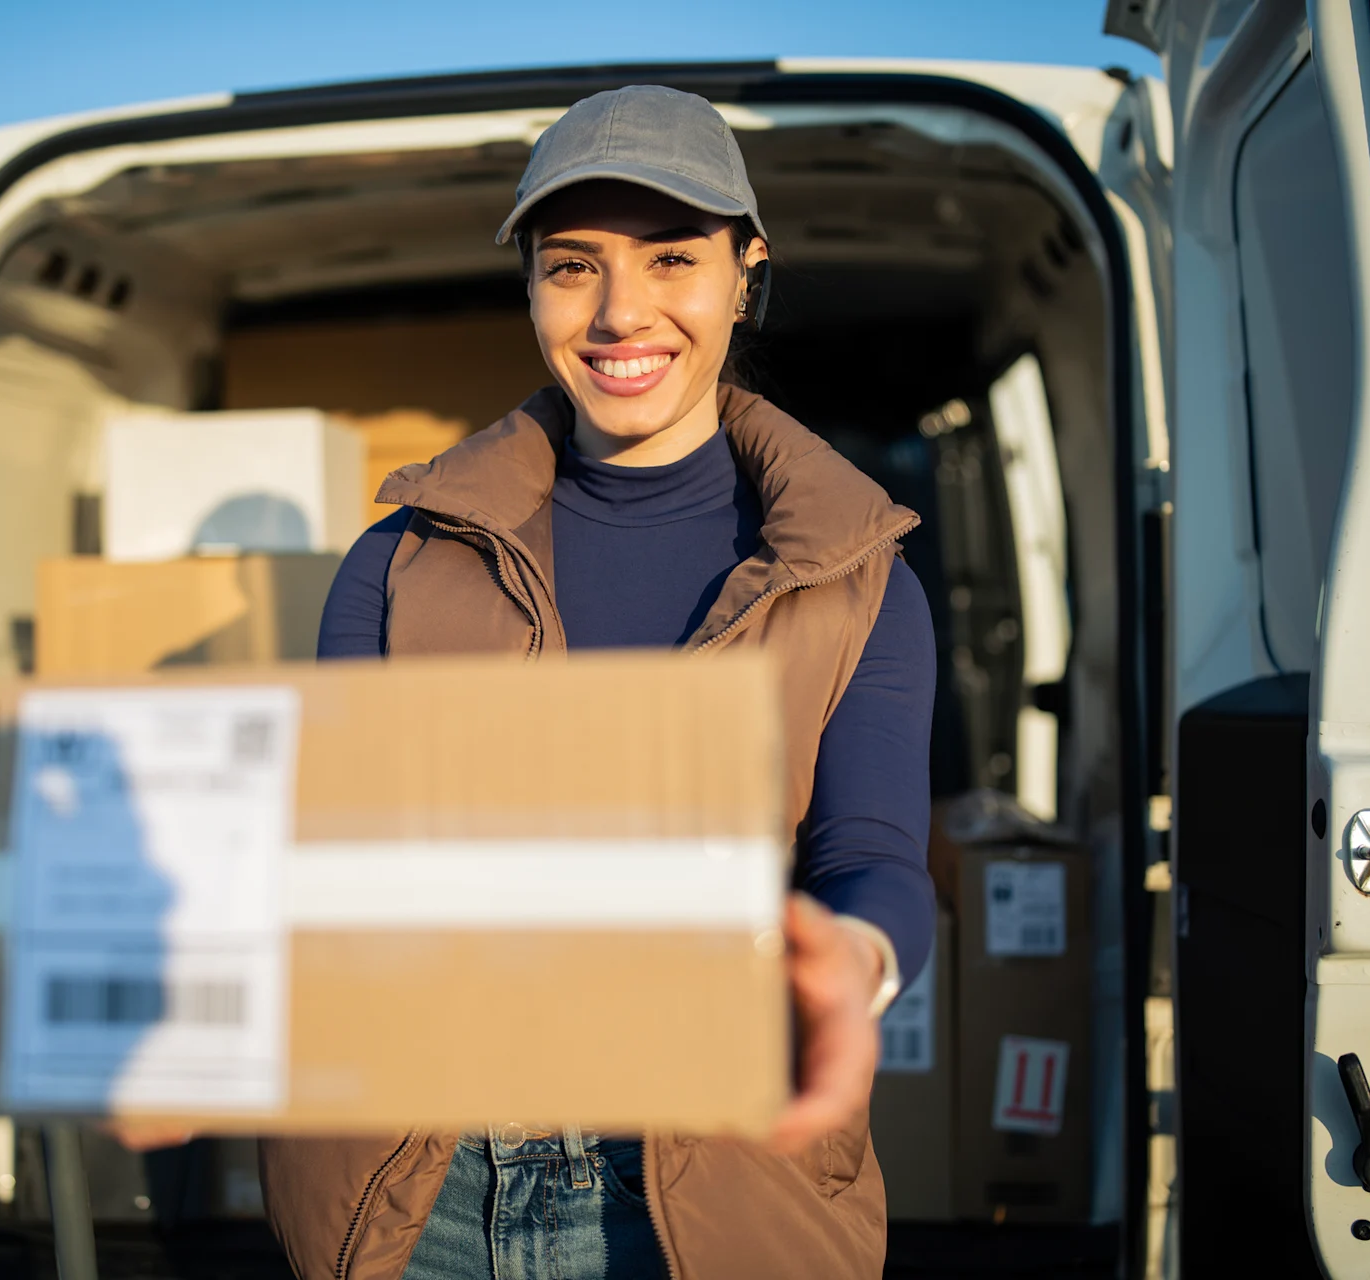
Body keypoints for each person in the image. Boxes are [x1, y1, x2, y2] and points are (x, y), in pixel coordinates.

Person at [255, 84, 936, 1279]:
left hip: (709, 1186)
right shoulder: (406, 557)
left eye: (672, 257)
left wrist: (854, 952)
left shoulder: (858, 580)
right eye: (573, 266)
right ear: (529, 284)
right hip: (428, 1183)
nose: (623, 311)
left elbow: (871, 852)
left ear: (744, 271)